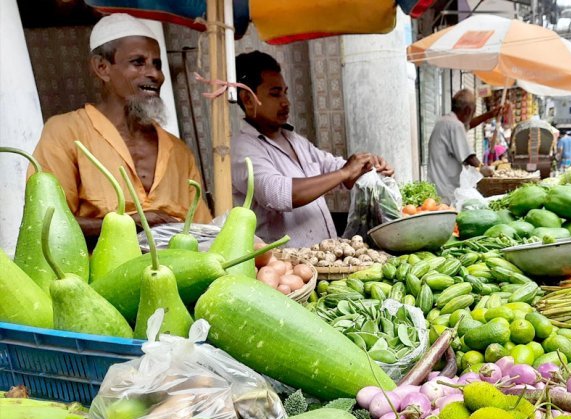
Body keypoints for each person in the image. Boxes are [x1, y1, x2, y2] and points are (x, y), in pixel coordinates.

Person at [30, 13, 212, 242]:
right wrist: (134, 222)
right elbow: (45, 221)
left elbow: (204, 230)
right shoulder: (65, 132)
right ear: (102, 67)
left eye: (157, 64)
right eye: (138, 62)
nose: (154, 74)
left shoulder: (178, 151)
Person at [231, 51, 393, 247]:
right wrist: (345, 172)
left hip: (321, 258)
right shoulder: (244, 148)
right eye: (275, 94)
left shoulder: (293, 139)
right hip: (284, 267)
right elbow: (278, 194)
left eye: (285, 92)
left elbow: (333, 168)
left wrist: (365, 167)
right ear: (248, 100)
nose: (285, 102)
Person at [428, 89, 508, 204]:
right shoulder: (455, 126)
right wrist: (482, 168)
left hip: (437, 186)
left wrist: (490, 114)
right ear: (468, 110)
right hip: (446, 190)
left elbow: (468, 124)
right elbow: (469, 157)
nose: (472, 116)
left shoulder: (445, 121)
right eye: (473, 112)